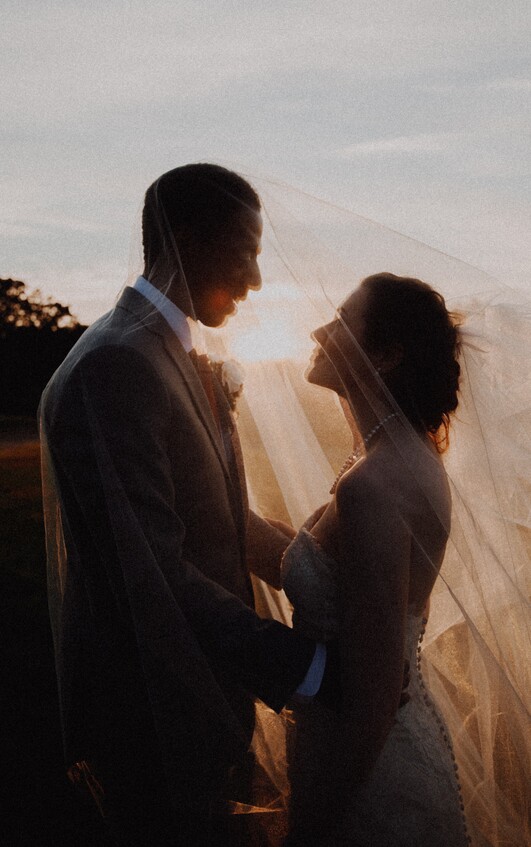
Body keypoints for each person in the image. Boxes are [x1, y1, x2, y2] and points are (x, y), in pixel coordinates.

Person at [39, 164, 327, 847]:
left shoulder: (163, 350)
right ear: (190, 240)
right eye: (246, 250)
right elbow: (154, 572)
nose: (256, 279)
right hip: (148, 720)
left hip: (192, 703)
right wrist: (308, 669)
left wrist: (324, 576)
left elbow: (219, 519)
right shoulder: (118, 363)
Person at [279, 273, 470, 845]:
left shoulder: (376, 485)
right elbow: (321, 569)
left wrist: (309, 829)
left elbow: (376, 697)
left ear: (385, 355)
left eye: (340, 320)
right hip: (373, 754)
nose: (319, 328)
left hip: (372, 783)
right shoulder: (388, 457)